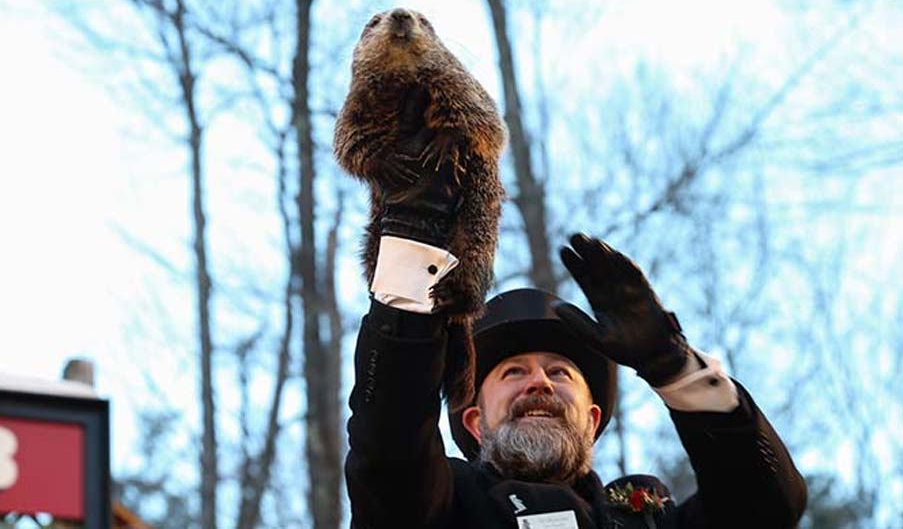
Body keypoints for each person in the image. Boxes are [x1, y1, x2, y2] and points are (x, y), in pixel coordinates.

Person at [343, 131, 807, 529]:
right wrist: (411, 268)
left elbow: (765, 508)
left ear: (592, 419)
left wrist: (676, 371)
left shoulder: (645, 517)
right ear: (475, 423)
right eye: (512, 373)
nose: (539, 382)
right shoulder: (442, 503)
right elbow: (390, 445)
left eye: (561, 372)